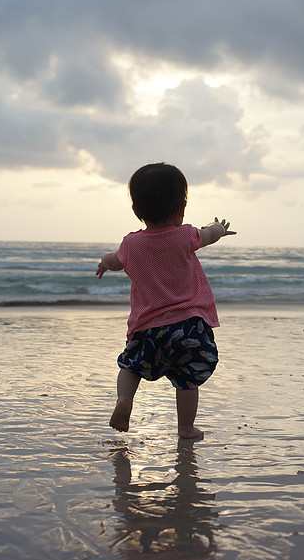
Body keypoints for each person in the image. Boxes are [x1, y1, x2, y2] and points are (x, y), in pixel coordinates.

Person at [96, 162, 236, 441]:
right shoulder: (186, 235)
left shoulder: (130, 244)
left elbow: (114, 261)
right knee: (187, 379)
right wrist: (218, 227)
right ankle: (185, 428)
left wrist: (103, 262)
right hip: (189, 327)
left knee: (131, 365)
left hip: (146, 328)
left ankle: (124, 399)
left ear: (137, 211)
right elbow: (209, 234)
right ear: (182, 208)